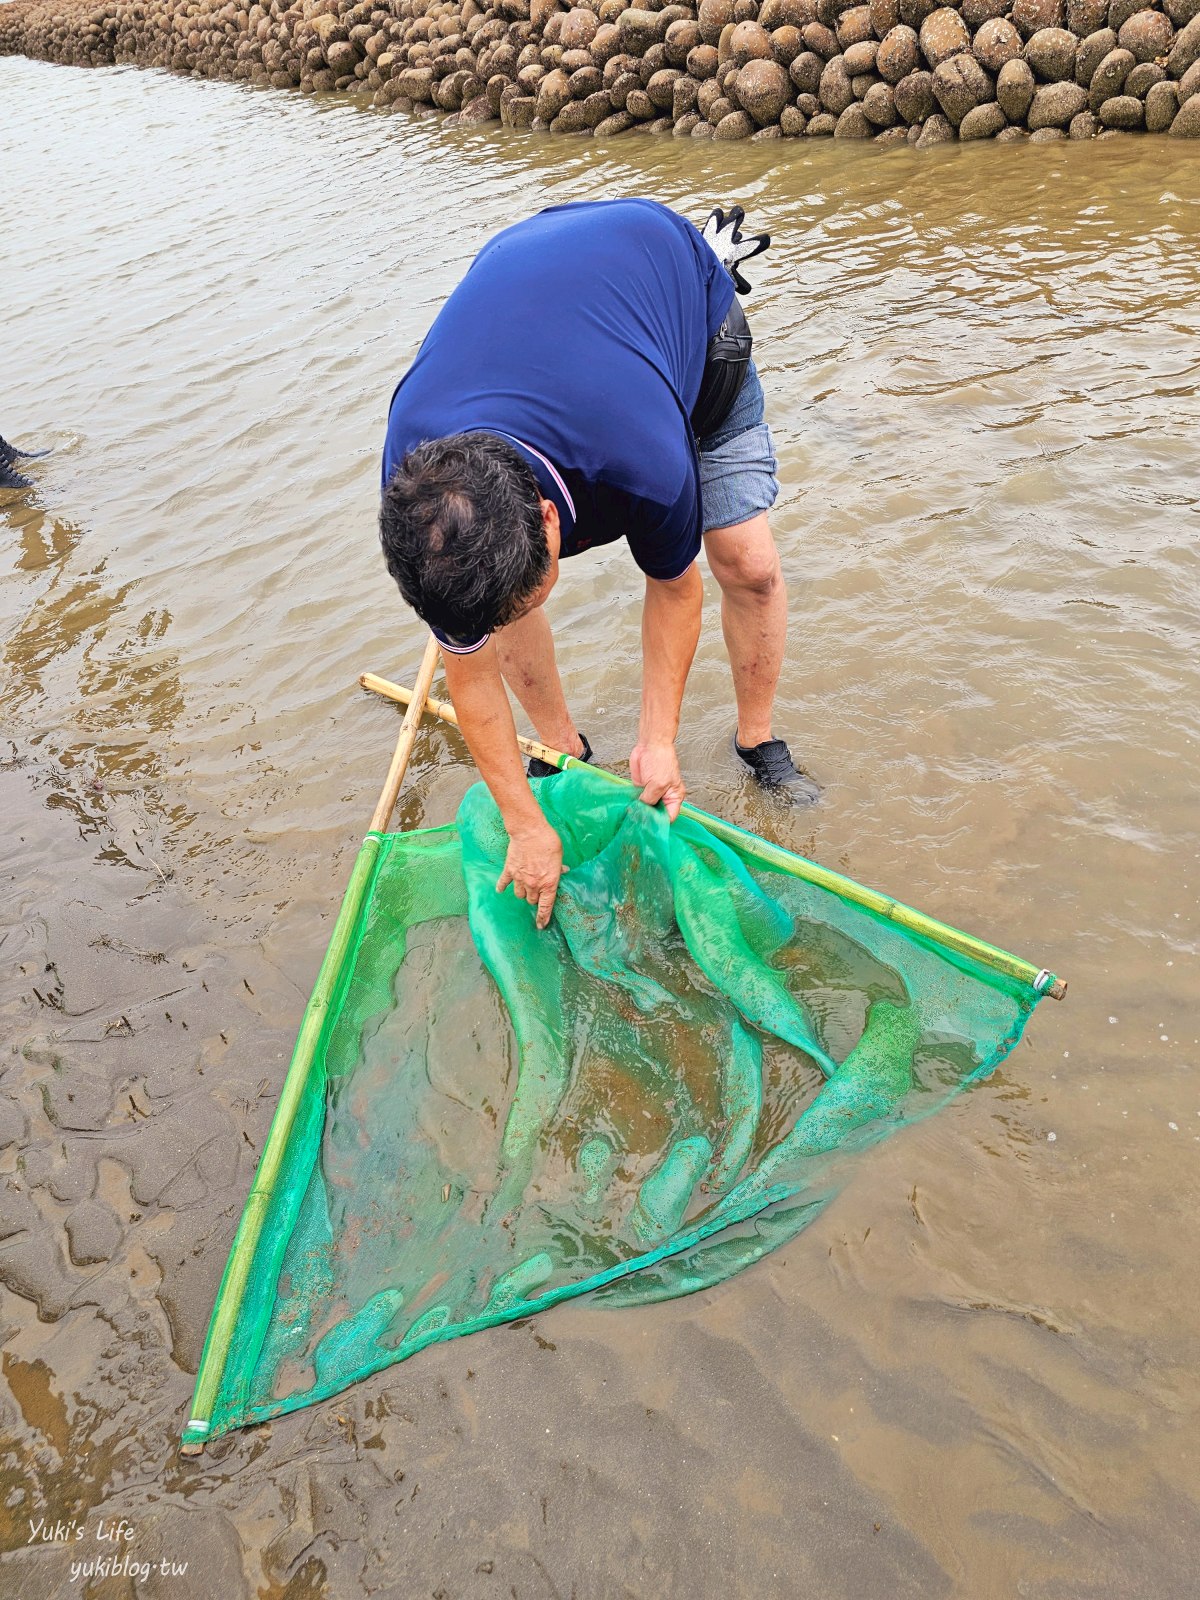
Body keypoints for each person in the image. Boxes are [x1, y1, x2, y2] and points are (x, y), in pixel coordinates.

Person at [379, 198, 817, 931]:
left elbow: (675, 592)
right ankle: (561, 747)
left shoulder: (641, 455)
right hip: (530, 275)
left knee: (747, 564)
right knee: (493, 599)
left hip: (688, 331)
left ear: (552, 520)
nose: (497, 623)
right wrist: (523, 823)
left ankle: (757, 739)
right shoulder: (417, 493)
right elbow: (469, 663)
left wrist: (658, 744)